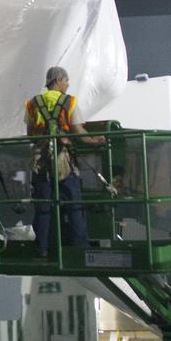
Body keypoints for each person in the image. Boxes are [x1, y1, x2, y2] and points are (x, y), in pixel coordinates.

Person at [25, 66, 104, 256]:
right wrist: (95, 140)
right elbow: (79, 131)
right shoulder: (70, 102)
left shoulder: (33, 103)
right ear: (58, 80)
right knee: (74, 203)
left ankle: (43, 247)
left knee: (43, 205)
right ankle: (80, 246)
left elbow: (30, 134)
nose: (68, 84)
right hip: (62, 160)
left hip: (40, 161)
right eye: (66, 80)